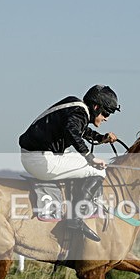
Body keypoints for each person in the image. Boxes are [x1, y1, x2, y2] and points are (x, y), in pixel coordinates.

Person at [19, 85, 120, 242]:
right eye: (106, 113)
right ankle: (75, 219)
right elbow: (72, 131)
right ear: (96, 107)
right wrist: (90, 157)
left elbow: (80, 131)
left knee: (83, 162)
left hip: (37, 155)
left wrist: (102, 138)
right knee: (99, 170)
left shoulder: (77, 109)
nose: (106, 118)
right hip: (40, 160)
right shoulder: (79, 112)